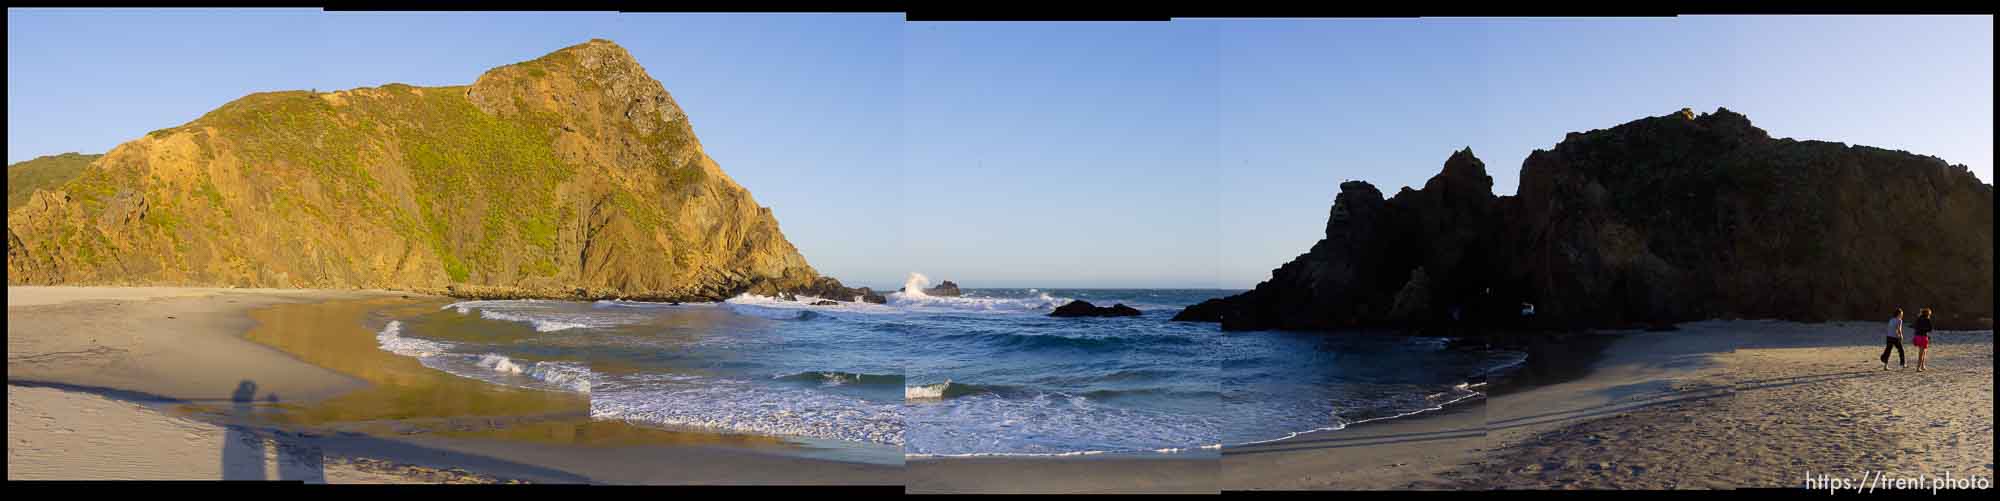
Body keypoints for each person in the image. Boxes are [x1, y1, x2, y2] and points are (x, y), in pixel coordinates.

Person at [1912, 308, 1934, 372]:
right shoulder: (1927, 319)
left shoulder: (1918, 319)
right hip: (1923, 337)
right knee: (1922, 352)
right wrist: (1925, 330)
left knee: (1923, 351)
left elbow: (1915, 326)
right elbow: (1930, 329)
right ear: (1928, 314)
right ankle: (1918, 367)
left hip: (1917, 336)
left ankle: (1922, 365)